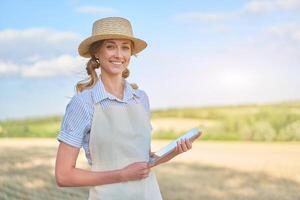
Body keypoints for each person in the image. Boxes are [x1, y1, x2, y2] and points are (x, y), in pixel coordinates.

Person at [55, 17, 193, 200]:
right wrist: (122, 175)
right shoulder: (83, 103)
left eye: (125, 47)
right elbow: (63, 176)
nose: (119, 54)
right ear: (96, 52)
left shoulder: (141, 98)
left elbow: (144, 162)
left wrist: (174, 151)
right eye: (110, 46)